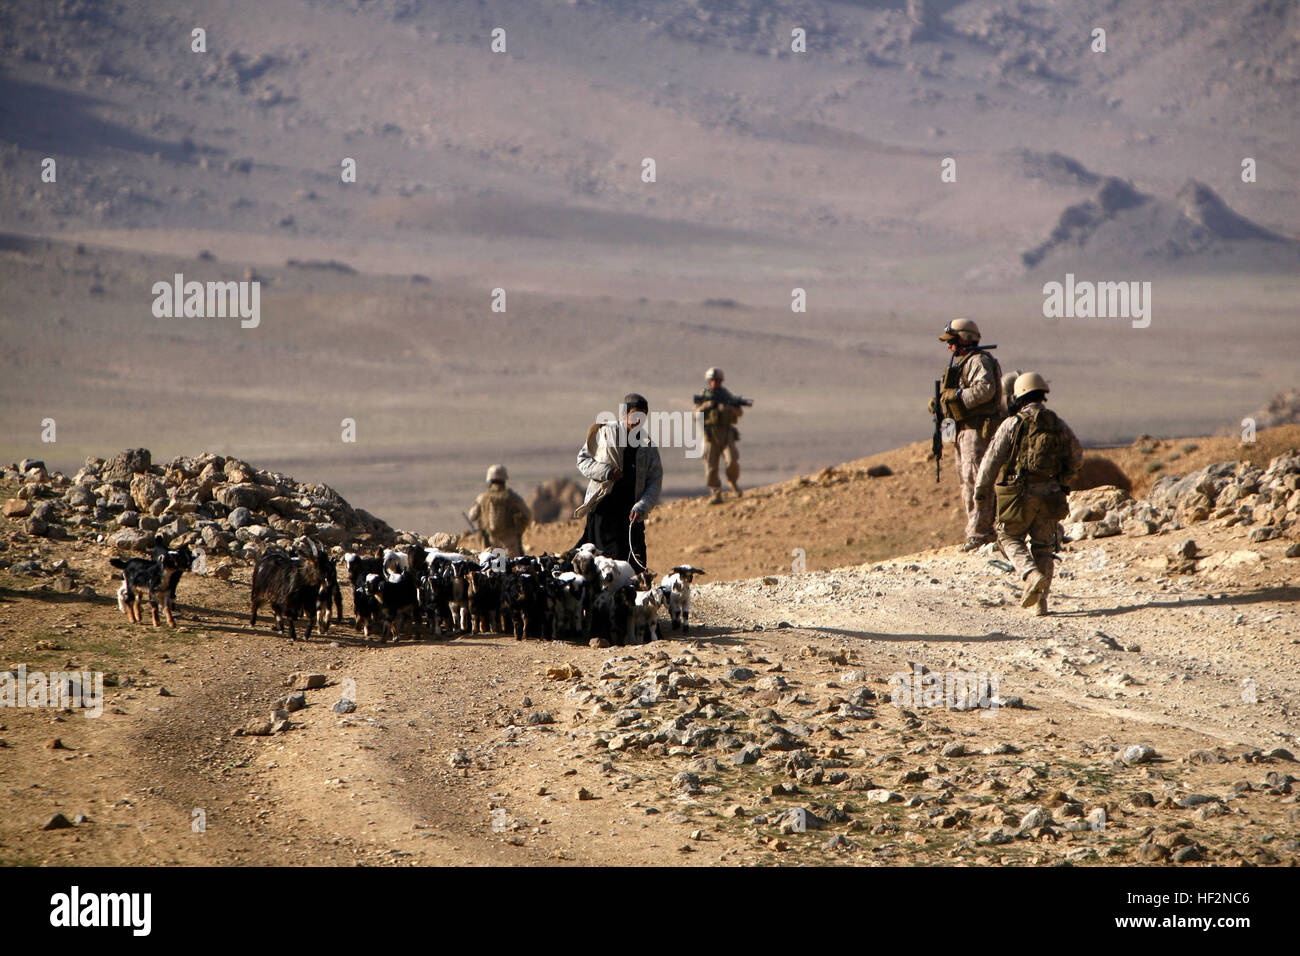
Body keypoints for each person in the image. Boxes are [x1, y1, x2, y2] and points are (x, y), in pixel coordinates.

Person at [975, 372, 1082, 616]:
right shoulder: (1058, 424)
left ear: (1018, 395)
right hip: (1052, 496)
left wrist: (981, 492)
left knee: (1007, 537)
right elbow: (1077, 457)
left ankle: (1030, 575)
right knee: (1043, 546)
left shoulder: (1013, 423)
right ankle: (1040, 604)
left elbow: (990, 460)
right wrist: (1062, 481)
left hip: (1019, 496)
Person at [929, 318, 1003, 550]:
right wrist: (942, 404)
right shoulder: (963, 363)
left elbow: (985, 389)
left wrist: (957, 396)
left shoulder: (979, 361)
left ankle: (981, 532)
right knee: (966, 481)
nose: (949, 347)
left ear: (964, 340)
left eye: (952, 342)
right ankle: (976, 530)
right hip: (962, 430)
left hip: (976, 430)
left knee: (976, 481)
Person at [574, 393, 663, 569]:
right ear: (625, 414)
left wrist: (642, 506)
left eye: (643, 416)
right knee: (601, 567)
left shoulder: (647, 445)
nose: (639, 420)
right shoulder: (605, 433)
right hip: (604, 512)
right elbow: (582, 461)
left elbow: (654, 481)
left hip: (630, 515)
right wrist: (606, 472)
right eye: (636, 414)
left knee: (637, 567)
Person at [695, 367, 743, 503]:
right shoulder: (704, 396)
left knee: (732, 460)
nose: (715, 383)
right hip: (710, 435)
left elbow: (739, 412)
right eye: (712, 380)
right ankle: (715, 493)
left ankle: (733, 483)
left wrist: (728, 409)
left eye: (717, 380)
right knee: (711, 466)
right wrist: (705, 407)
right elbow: (695, 414)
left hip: (726, 434)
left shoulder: (726, 396)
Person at [467, 464, 532, 557]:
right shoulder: (512, 497)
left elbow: (472, 516)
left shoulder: (483, 497)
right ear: (504, 479)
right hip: (510, 540)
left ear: (490, 479)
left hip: (491, 540)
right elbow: (527, 514)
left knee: (495, 568)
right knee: (513, 567)